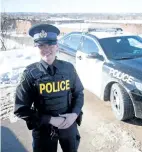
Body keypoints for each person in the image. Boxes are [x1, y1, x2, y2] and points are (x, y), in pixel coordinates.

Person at [14, 24, 84, 152]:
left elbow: (79, 93)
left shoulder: (68, 68)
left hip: (68, 125)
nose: (46, 49)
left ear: (57, 45)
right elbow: (21, 109)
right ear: (36, 47)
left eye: (50, 44)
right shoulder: (29, 74)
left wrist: (74, 114)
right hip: (43, 129)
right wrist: (50, 120)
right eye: (41, 45)